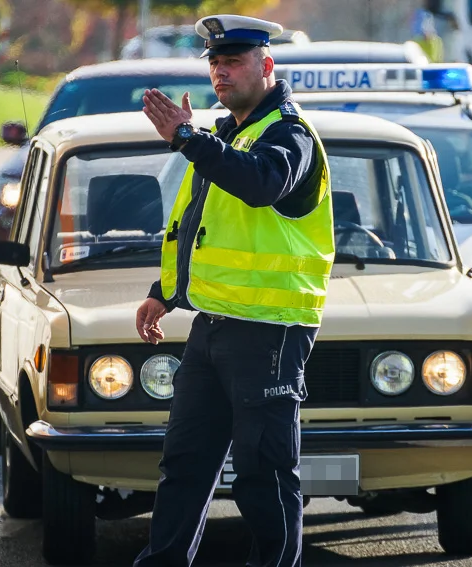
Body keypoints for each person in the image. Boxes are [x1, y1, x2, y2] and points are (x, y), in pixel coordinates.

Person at [132, 14, 335, 566]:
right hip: (214, 325)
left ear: (266, 66)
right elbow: (199, 226)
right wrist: (165, 292)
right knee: (185, 465)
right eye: (215, 63)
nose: (221, 72)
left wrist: (187, 138)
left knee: (263, 474)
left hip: (269, 331)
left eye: (234, 61)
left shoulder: (288, 134)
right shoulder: (228, 134)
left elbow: (260, 184)